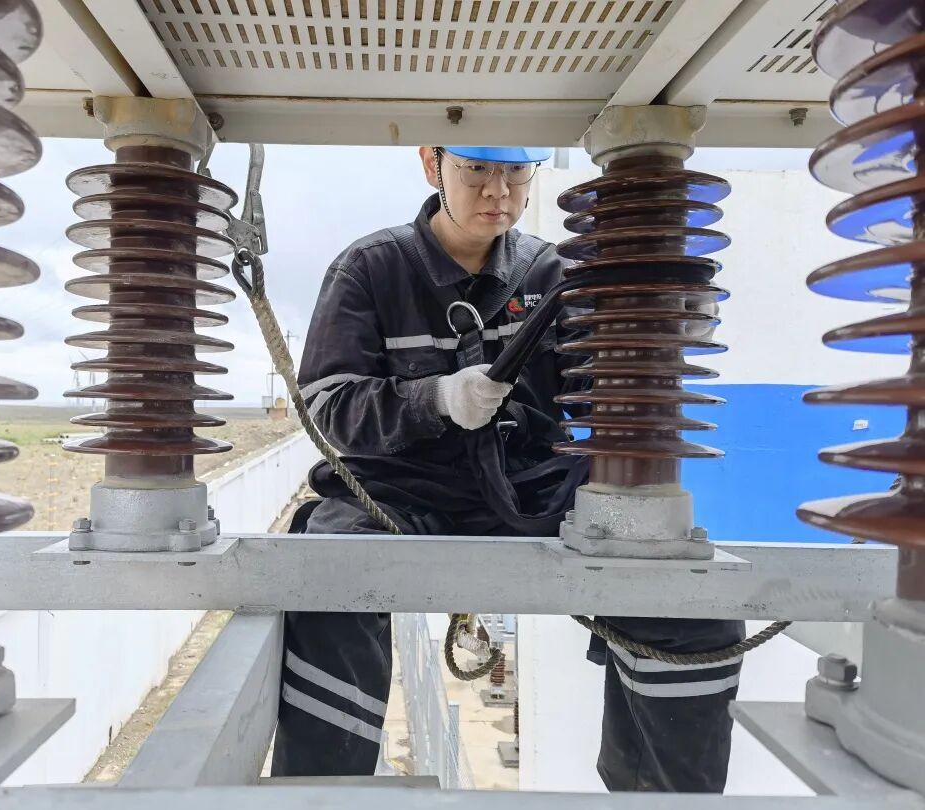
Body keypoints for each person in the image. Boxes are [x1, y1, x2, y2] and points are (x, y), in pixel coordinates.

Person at [270, 146, 745, 792]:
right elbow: (330, 406)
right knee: (328, 578)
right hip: (400, 495)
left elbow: (597, 389)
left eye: (516, 173)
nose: (499, 191)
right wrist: (436, 399)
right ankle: (322, 795)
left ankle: (659, 800)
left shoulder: (553, 273)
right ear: (432, 164)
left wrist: (657, 335)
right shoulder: (372, 270)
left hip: (532, 494)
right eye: (477, 170)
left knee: (690, 607)